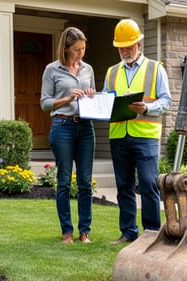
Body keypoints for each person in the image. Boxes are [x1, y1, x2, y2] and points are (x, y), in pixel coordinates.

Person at [103, 19, 172, 244]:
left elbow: (167, 101)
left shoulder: (155, 69)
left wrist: (148, 107)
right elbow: (105, 101)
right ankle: (128, 232)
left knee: (148, 184)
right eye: (121, 47)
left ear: (139, 45)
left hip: (145, 136)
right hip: (119, 136)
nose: (124, 50)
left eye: (128, 46)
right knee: (123, 186)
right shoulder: (112, 72)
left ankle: (151, 233)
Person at [40, 27, 96, 244]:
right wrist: (67, 98)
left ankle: (85, 231)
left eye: (83, 49)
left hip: (85, 128)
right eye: (76, 49)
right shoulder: (52, 70)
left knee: (85, 182)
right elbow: (45, 103)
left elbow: (92, 99)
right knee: (64, 181)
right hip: (62, 125)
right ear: (65, 48)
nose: (80, 53)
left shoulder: (88, 69)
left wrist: (91, 94)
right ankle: (67, 232)